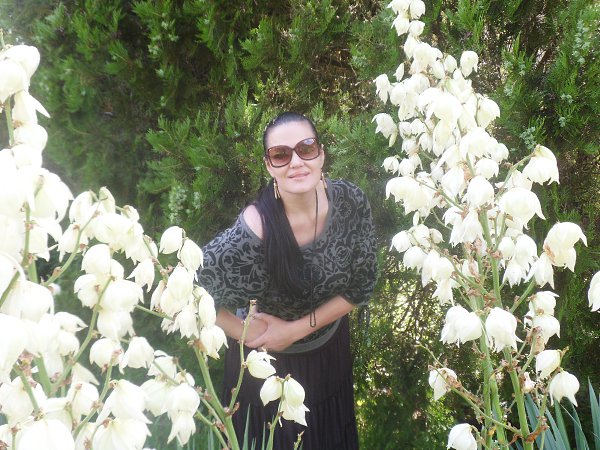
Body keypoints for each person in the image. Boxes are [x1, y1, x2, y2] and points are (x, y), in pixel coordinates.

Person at [199, 112, 377, 449]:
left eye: (306, 148)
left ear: (321, 154)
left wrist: (293, 331)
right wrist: (247, 333)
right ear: (269, 166)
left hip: (329, 355)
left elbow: (362, 284)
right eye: (281, 154)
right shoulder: (255, 232)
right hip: (267, 373)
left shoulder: (350, 202)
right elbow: (191, 292)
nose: (296, 162)